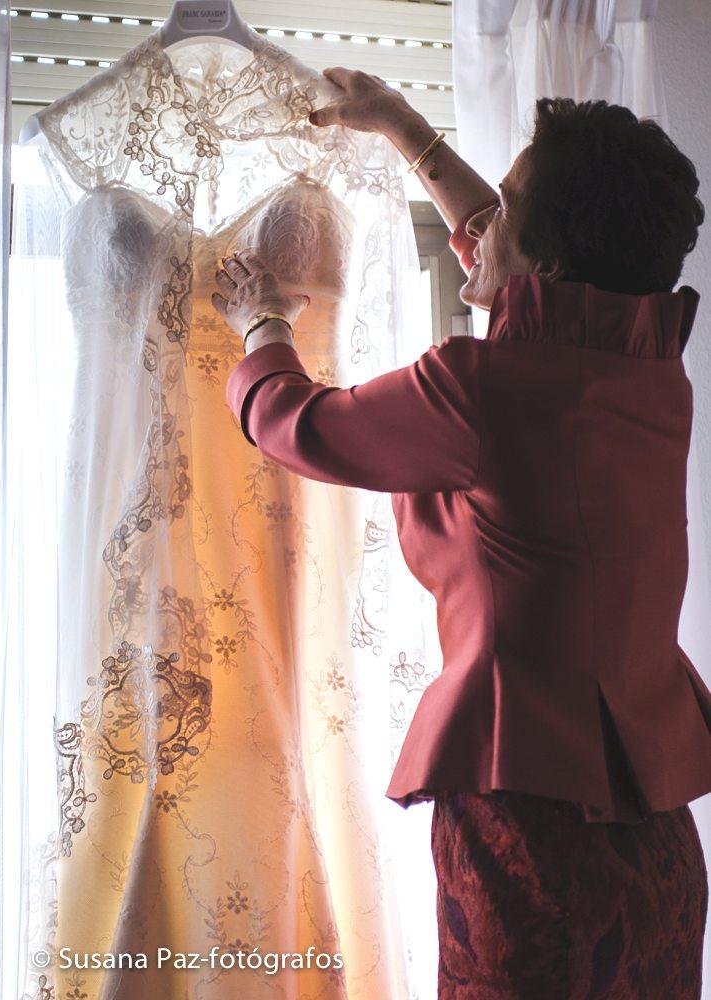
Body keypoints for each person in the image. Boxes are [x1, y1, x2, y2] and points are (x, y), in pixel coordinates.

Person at [212, 70, 711, 998]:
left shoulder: (479, 389)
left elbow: (300, 425)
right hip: (659, 844)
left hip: (533, 838)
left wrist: (262, 324)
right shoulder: (648, 367)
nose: (482, 227)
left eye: (507, 210)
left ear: (547, 263)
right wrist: (405, 129)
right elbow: (528, 255)